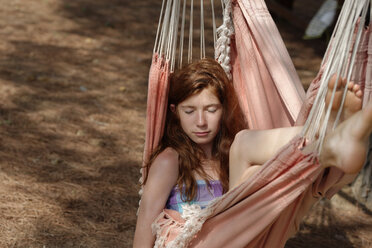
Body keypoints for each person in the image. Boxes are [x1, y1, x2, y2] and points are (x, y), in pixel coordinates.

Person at [133, 58, 246, 247]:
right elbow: (145, 227)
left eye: (211, 110)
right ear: (175, 111)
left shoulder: (234, 158)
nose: (200, 121)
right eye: (189, 111)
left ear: (223, 110)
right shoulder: (169, 161)